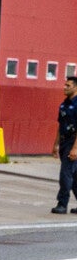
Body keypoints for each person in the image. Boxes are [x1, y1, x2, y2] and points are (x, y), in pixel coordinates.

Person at [55, 76, 77, 214]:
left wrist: (75, 148)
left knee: (65, 173)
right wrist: (56, 144)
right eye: (65, 85)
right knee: (74, 176)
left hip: (73, 142)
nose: (65, 87)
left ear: (75, 87)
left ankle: (62, 204)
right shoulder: (64, 104)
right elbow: (60, 125)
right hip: (64, 141)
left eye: (68, 85)